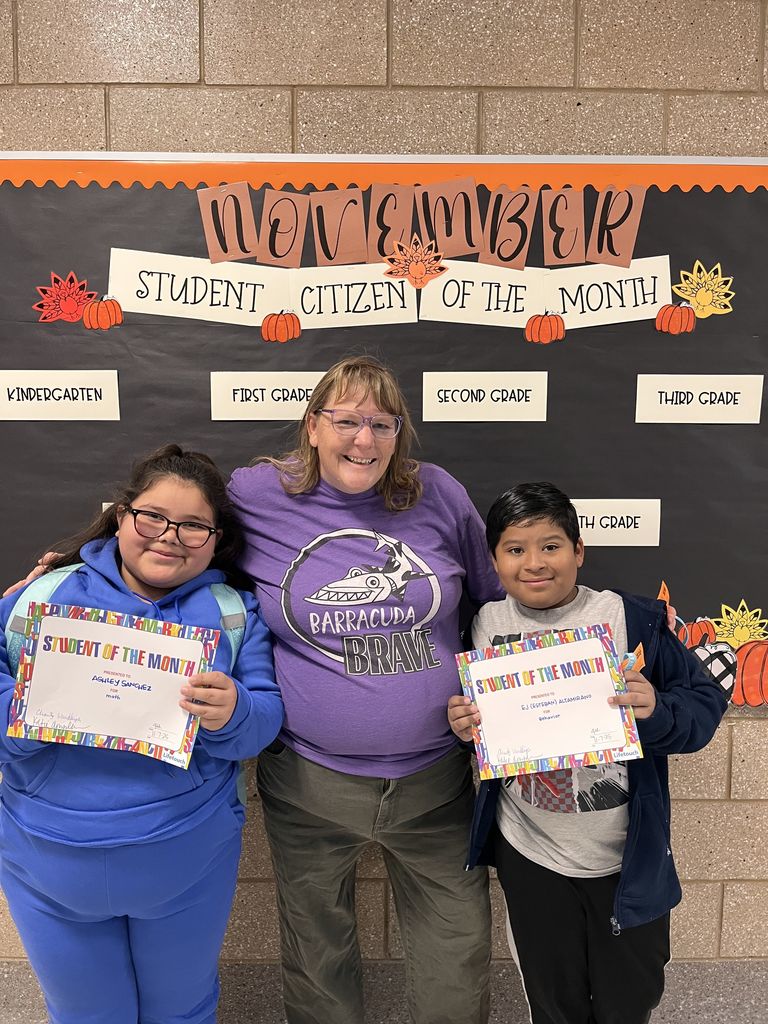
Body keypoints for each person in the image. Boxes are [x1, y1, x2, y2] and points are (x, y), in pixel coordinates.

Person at [226, 355, 503, 1024]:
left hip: (436, 782)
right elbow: (168, 533)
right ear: (312, 426)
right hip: (309, 785)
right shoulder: (255, 494)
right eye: (347, 420)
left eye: (383, 423)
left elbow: (499, 602)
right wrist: (74, 562)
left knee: (458, 951)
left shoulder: (438, 493)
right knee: (316, 953)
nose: (365, 439)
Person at [0, 444, 283, 1024]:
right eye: (152, 516)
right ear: (122, 514)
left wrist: (232, 713)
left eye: (194, 525)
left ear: (216, 538)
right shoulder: (43, 596)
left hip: (186, 859)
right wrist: (27, 711)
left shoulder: (232, 613)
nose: (169, 537)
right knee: (84, 1014)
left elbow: (262, 722)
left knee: (183, 1011)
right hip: (48, 857)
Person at [447, 481, 729, 1024]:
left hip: (625, 860)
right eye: (515, 549)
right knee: (554, 1005)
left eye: (551, 546)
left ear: (579, 551)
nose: (534, 563)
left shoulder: (631, 619)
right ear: (494, 560)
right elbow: (471, 721)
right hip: (531, 854)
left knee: (629, 1002)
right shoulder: (481, 625)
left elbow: (702, 707)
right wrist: (464, 726)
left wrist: (657, 711)